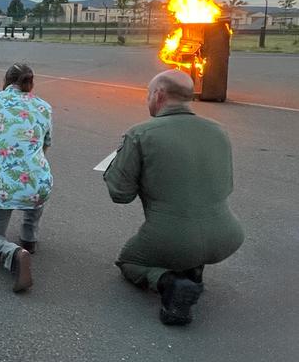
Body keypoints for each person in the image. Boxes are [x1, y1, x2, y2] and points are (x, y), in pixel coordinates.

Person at [104, 69, 244, 326]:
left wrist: (118, 166)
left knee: (128, 261)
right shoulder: (219, 131)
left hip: (173, 239)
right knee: (190, 232)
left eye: (148, 94)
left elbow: (120, 194)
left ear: (158, 95)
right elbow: (227, 185)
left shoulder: (141, 134)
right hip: (228, 236)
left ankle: (171, 283)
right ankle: (193, 269)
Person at [0, 63, 52, 293]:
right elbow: (43, 148)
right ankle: (29, 236)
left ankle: (12, 253)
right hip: (37, 185)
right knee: (36, 179)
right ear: (31, 83)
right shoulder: (44, 107)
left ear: (5, 81)